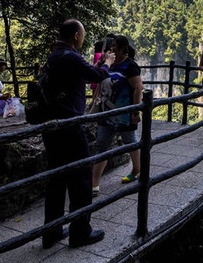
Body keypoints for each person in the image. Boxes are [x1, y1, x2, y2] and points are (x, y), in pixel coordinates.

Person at [41, 19, 115, 249]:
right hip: (70, 126)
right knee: (81, 179)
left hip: (51, 127)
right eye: (82, 34)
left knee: (56, 179)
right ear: (75, 35)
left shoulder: (53, 55)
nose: (83, 38)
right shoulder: (71, 57)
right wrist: (108, 63)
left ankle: (51, 232)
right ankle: (80, 232)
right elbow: (96, 75)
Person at [91, 35, 143, 197]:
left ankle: (136, 170)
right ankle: (94, 185)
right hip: (106, 113)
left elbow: (138, 88)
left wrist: (135, 111)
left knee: (130, 142)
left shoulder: (130, 66)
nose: (111, 49)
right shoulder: (110, 65)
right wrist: (102, 63)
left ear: (122, 48)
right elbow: (96, 76)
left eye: (113, 46)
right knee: (101, 146)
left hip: (124, 114)